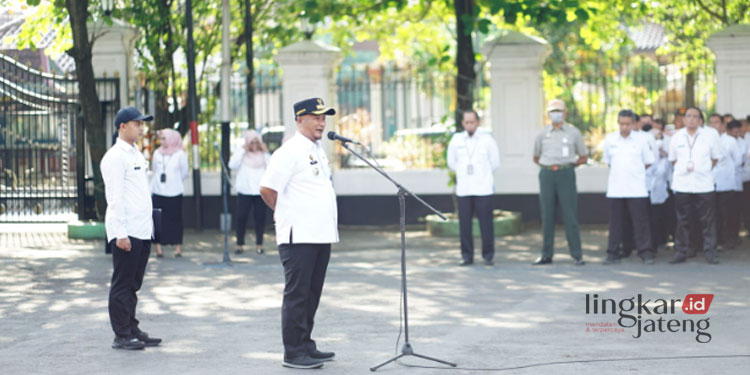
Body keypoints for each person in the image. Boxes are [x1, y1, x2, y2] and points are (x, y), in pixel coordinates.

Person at [260, 98, 338, 369]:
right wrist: (286, 214)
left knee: (312, 294)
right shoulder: (289, 151)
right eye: (316, 117)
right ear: (300, 119)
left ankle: (306, 344)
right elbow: (268, 189)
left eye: (324, 117)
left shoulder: (317, 149)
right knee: (297, 295)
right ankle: (293, 352)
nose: (321, 122)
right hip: (299, 236)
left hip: (319, 234)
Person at [101, 106, 162, 350]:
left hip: (142, 228)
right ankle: (122, 335)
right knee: (122, 284)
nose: (141, 127)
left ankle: (131, 327)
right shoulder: (115, 157)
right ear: (122, 126)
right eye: (137, 123)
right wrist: (121, 233)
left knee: (134, 284)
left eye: (142, 124)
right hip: (126, 231)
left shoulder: (136, 153)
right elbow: (114, 197)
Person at [532, 99, 588, 265]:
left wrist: (569, 166)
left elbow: (583, 156)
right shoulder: (542, 134)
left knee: (570, 214)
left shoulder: (573, 132)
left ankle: (577, 255)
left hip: (566, 173)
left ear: (565, 112)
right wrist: (550, 166)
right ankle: (546, 254)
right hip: (547, 174)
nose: (556, 114)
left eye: (559, 110)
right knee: (547, 215)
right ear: (548, 114)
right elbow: (536, 157)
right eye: (552, 111)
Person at [668, 107, 723, 264]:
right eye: (688, 116)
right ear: (684, 119)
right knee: (682, 220)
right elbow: (673, 160)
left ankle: (710, 252)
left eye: (695, 116)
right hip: (682, 184)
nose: (691, 119)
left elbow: (715, 158)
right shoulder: (677, 137)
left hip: (704, 183)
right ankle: (682, 251)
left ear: (700, 120)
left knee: (708, 221)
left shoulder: (710, 136)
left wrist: (702, 169)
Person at [446, 109, 500, 266]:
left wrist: (482, 174)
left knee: (486, 223)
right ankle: (467, 255)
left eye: (472, 122)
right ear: (463, 123)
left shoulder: (487, 139)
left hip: (483, 188)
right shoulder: (456, 140)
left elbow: (495, 162)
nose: (470, 125)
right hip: (464, 188)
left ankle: (488, 255)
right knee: (465, 225)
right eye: (467, 122)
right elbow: (451, 162)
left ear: (477, 122)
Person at [601, 110, 655, 264]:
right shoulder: (610, 139)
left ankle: (645, 252)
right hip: (616, 188)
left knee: (641, 223)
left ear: (633, 124)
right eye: (622, 124)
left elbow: (648, 161)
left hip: (636, 188)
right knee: (615, 223)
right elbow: (608, 161)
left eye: (628, 124)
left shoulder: (641, 140)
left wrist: (634, 172)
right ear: (618, 123)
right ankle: (613, 252)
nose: (624, 127)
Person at [228, 129, 270, 255]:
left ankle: (259, 244)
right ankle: (239, 244)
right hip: (244, 191)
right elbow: (232, 165)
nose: (254, 145)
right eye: (251, 142)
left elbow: (272, 168)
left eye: (256, 142)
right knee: (241, 217)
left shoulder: (264, 155)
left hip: (260, 192)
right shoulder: (241, 155)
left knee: (260, 218)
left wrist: (264, 150)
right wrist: (242, 149)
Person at [150, 128, 189, 258]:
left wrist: (174, 181)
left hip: (174, 192)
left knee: (175, 219)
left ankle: (178, 248)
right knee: (157, 220)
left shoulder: (180, 154)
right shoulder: (157, 153)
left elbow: (184, 172)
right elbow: (155, 169)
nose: (161, 141)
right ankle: (158, 248)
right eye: (160, 139)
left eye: (164, 138)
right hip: (158, 190)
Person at [709, 114, 742, 249]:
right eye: (711, 123)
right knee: (713, 214)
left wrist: (727, 170)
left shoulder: (730, 141)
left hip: (726, 183)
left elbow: (738, 161)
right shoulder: (706, 140)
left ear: (722, 125)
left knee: (726, 213)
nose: (714, 126)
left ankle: (728, 239)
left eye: (717, 122)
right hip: (710, 183)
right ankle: (715, 241)